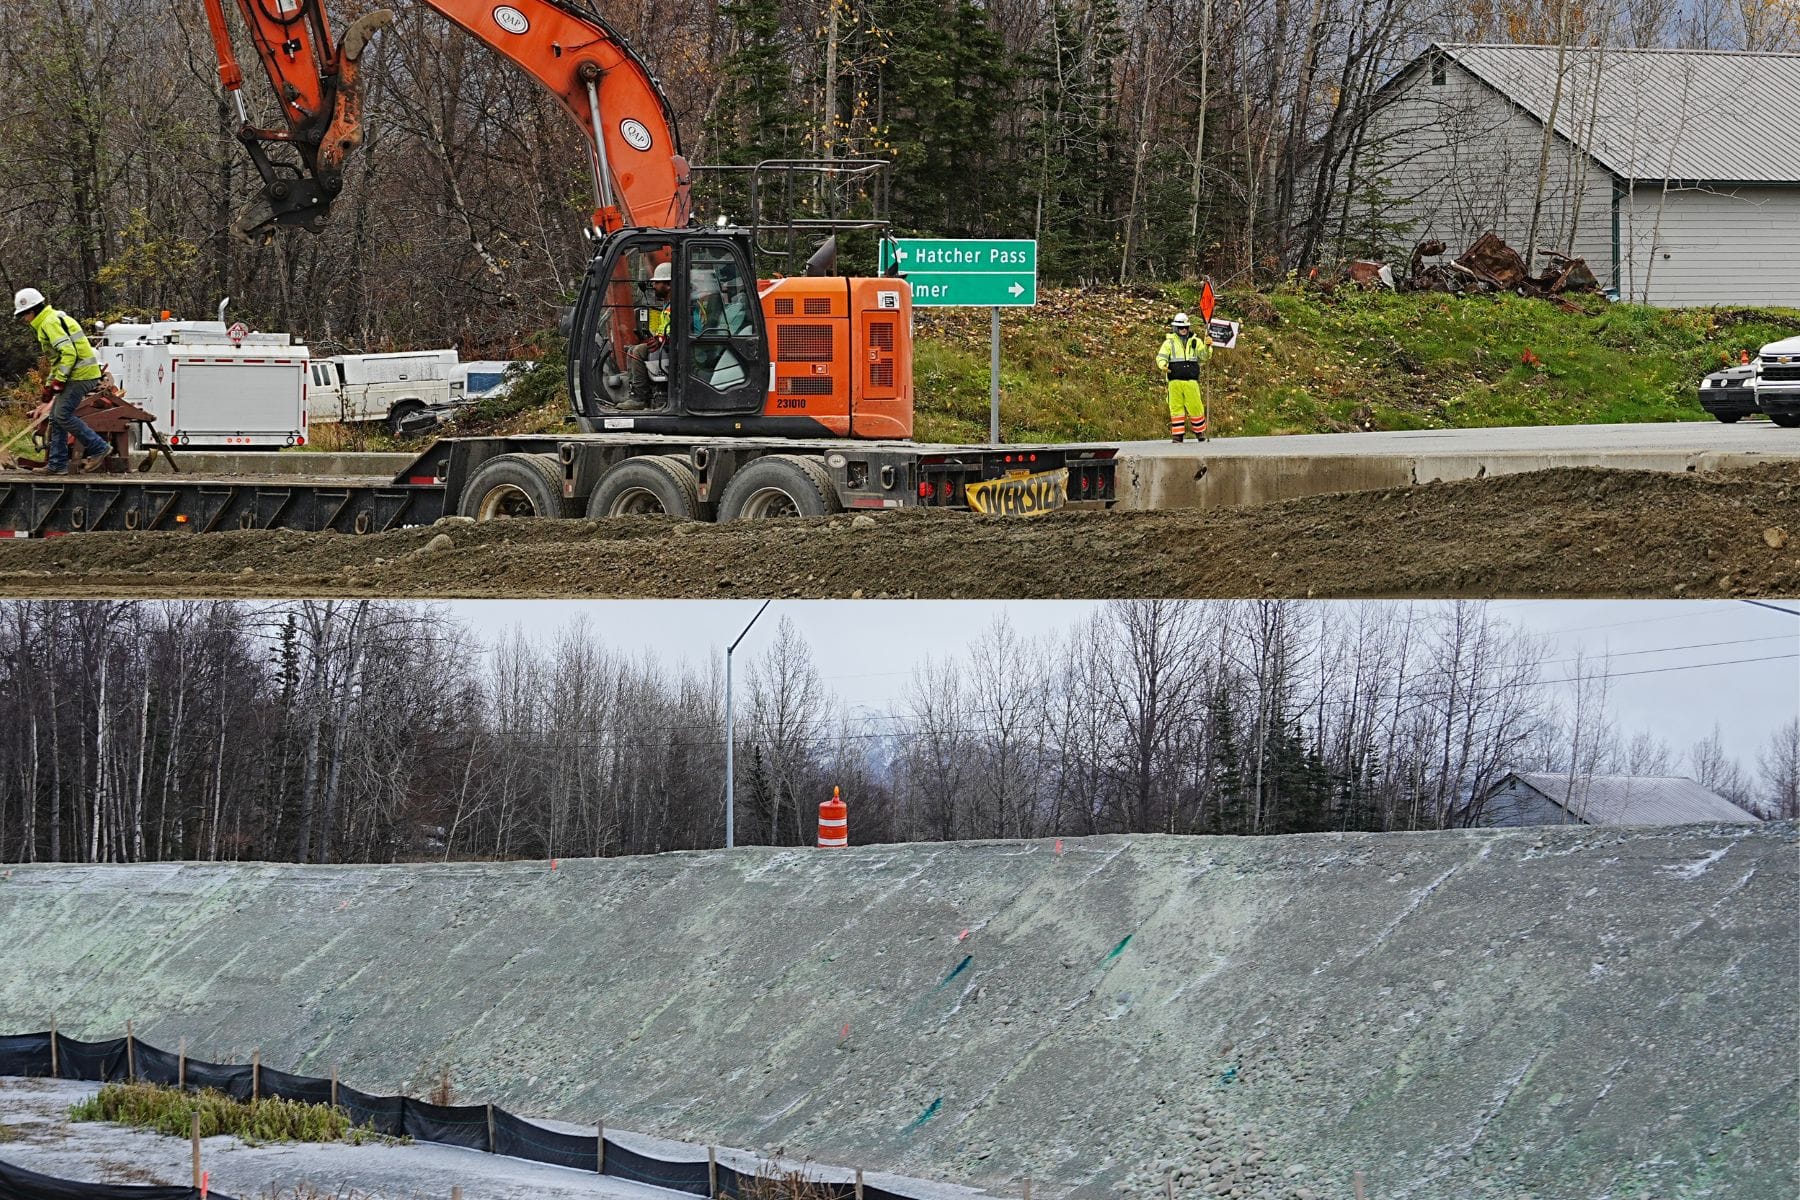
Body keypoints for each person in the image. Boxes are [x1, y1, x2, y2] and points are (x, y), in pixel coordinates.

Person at [13, 288, 111, 472]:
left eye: (23, 316)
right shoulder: (50, 319)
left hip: (81, 375)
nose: (23, 320)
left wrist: (59, 381)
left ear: (31, 312)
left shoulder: (48, 323)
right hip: (79, 373)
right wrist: (50, 385)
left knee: (61, 415)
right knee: (56, 418)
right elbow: (57, 361)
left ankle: (99, 448)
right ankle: (57, 464)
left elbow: (69, 354)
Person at [1155, 311, 1211, 444]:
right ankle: (1178, 436)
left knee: (1195, 406)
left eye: (1185, 327)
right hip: (1174, 381)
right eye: (1180, 328)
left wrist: (1208, 346)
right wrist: (1162, 365)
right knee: (1176, 408)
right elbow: (1161, 356)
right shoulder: (1169, 343)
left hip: (1191, 380)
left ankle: (1199, 432)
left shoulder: (1196, 342)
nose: (1183, 330)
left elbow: (1204, 356)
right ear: (1175, 328)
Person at [624, 261, 673, 410]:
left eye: (658, 282)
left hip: (674, 347)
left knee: (638, 351)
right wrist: (657, 337)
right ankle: (636, 392)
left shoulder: (679, 305)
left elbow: (679, 329)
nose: (654, 286)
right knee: (632, 350)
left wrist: (661, 339)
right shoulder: (668, 304)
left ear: (669, 285)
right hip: (667, 343)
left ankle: (640, 397)